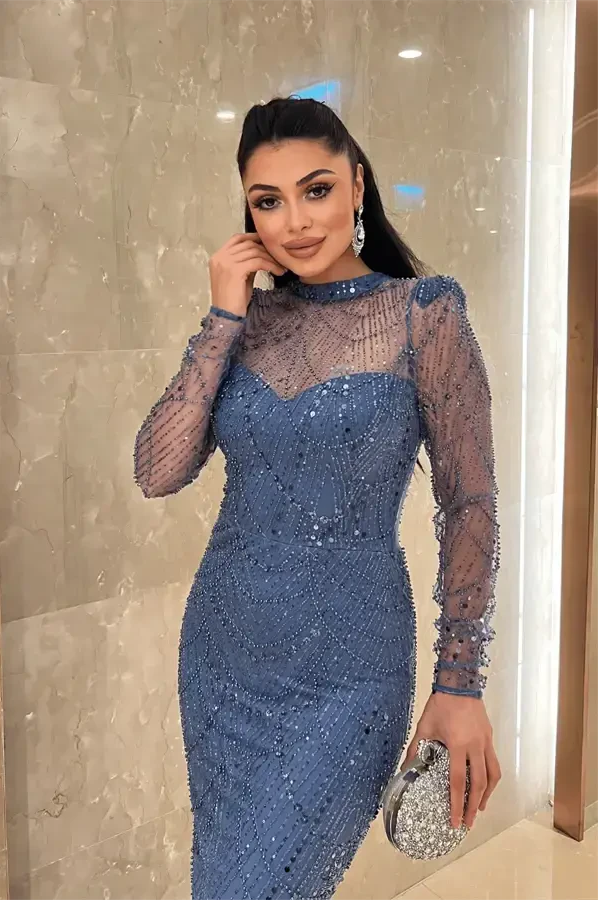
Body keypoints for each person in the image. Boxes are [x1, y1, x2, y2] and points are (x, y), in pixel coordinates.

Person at [133, 95, 502, 899]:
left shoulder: (425, 313)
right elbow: (157, 471)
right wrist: (221, 317)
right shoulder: (246, 324)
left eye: (317, 189)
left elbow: (469, 503)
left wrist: (460, 681)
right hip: (224, 659)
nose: (295, 222)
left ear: (358, 185)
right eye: (268, 201)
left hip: (351, 677)